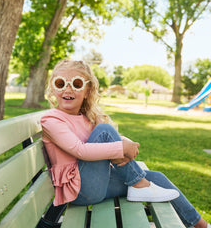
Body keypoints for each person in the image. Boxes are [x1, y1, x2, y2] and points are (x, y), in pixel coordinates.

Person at [41, 59, 210, 228]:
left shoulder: (85, 118)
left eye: (76, 84)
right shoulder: (51, 120)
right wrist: (121, 147)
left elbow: (106, 139)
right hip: (79, 191)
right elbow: (81, 150)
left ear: (87, 91)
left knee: (157, 177)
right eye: (60, 83)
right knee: (105, 131)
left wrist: (123, 140)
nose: (67, 89)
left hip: (95, 184)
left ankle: (201, 225)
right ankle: (139, 183)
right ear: (53, 88)